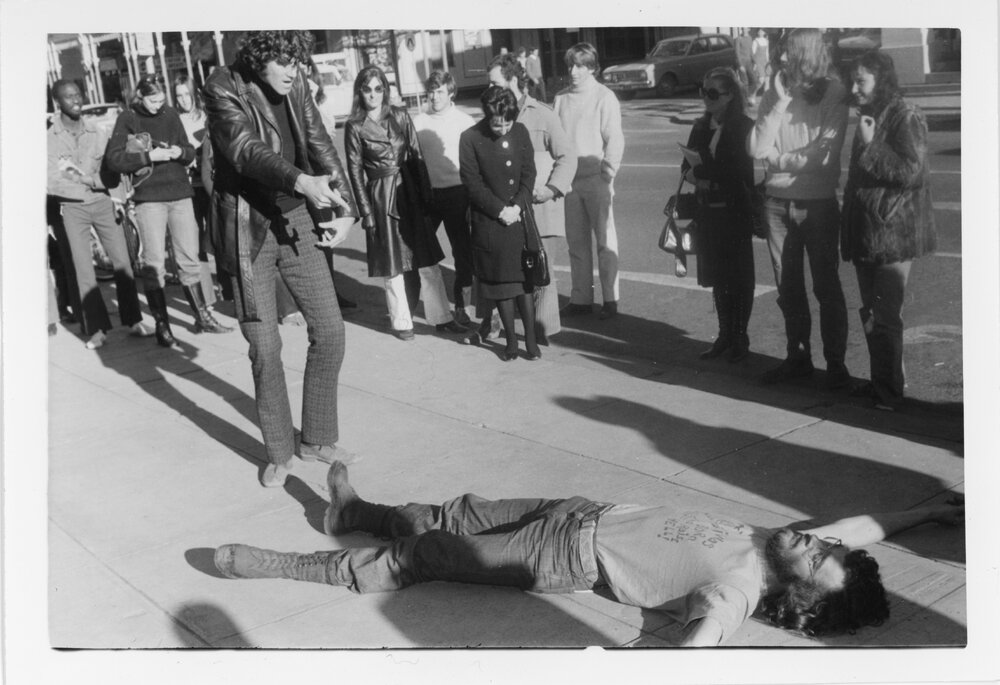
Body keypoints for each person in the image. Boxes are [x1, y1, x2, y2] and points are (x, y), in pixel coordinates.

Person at [214, 460, 965, 647]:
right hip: (578, 510)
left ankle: (288, 564)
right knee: (453, 511)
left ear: (801, 595)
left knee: (427, 554)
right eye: (825, 542)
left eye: (818, 556)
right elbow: (860, 528)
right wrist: (926, 511)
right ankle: (352, 512)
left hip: (561, 556)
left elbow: (702, 641)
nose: (815, 539)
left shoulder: (739, 586)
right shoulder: (778, 544)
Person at [203, 30, 360, 487]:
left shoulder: (297, 86)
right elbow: (243, 150)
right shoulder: (223, 86)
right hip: (247, 232)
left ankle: (317, 438)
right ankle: (278, 452)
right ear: (258, 59)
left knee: (330, 331)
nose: (294, 70)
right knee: (266, 348)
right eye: (284, 62)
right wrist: (301, 182)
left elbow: (320, 144)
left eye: (297, 61)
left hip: (296, 222)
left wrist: (347, 207)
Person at [747, 28, 850, 388]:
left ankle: (836, 366)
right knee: (788, 286)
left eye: (789, 52)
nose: (782, 58)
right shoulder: (775, 92)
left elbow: (823, 156)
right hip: (776, 203)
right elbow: (756, 149)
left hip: (817, 203)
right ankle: (798, 358)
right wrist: (778, 102)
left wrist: (778, 160)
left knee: (826, 286)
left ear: (807, 54)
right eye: (781, 51)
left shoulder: (834, 93)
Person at [841, 50, 937, 411]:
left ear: (881, 80)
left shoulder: (905, 114)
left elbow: (911, 172)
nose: (854, 88)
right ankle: (883, 382)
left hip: (894, 233)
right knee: (871, 312)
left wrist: (871, 145)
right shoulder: (870, 113)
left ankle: (889, 392)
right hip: (869, 231)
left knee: (884, 315)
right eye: (852, 81)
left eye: (860, 81)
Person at [106, 75, 232, 347]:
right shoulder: (128, 118)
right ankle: (162, 325)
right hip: (149, 199)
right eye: (153, 101)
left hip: (180, 195)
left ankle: (202, 317)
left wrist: (179, 152)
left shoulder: (171, 114)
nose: (158, 105)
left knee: (189, 258)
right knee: (154, 264)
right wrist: (148, 156)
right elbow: (114, 159)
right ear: (140, 96)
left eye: (162, 100)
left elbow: (189, 152)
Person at [344, 65, 466, 341]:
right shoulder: (354, 126)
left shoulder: (399, 115)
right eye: (367, 89)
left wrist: (426, 194)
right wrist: (366, 213)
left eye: (378, 88)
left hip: (409, 191)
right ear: (359, 91)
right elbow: (355, 172)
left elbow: (416, 154)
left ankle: (442, 318)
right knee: (393, 264)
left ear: (385, 90)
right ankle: (402, 322)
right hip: (381, 196)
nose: (373, 94)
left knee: (427, 258)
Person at [47, 79, 153, 349]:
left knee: (123, 262)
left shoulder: (98, 131)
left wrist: (109, 192)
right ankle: (97, 329)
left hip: (104, 203)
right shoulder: (49, 139)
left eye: (78, 94)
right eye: (69, 97)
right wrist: (92, 182)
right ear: (57, 102)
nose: (76, 100)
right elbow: (53, 181)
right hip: (72, 209)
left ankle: (133, 320)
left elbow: (111, 168)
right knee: (84, 269)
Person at [482, 53, 577, 346]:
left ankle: (542, 330)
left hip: (539, 205)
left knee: (540, 268)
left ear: (513, 79)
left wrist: (552, 189)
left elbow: (567, 157)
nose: (490, 89)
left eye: (495, 83)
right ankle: (495, 323)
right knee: (504, 266)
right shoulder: (492, 113)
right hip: (506, 209)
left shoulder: (542, 114)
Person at [459, 86, 539, 361]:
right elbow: (472, 183)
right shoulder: (470, 138)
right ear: (486, 115)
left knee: (524, 281)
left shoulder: (521, 131)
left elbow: (529, 173)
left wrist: (518, 205)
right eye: (497, 124)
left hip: (519, 217)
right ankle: (511, 343)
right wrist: (500, 210)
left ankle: (531, 340)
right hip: (491, 222)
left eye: (508, 123)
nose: (503, 129)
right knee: (502, 283)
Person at [683, 67, 756, 363]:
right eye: (704, 91)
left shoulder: (744, 126)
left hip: (734, 210)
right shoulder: (701, 126)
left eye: (713, 93)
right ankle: (724, 334)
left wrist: (707, 174)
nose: (706, 98)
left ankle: (740, 337)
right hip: (708, 211)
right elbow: (685, 167)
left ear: (730, 96)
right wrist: (696, 175)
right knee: (717, 276)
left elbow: (742, 172)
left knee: (739, 277)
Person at [554, 42, 625, 320]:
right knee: (576, 243)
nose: (573, 71)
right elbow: (556, 139)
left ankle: (610, 298)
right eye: (571, 65)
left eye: (580, 66)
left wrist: (608, 172)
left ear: (592, 68)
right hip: (570, 182)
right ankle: (581, 298)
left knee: (605, 242)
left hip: (597, 179)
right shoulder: (561, 99)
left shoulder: (604, 97)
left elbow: (614, 138)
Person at [412, 70, 477, 325]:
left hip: (458, 193)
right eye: (431, 91)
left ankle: (463, 306)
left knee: (463, 253)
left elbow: (475, 163)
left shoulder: (465, 121)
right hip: (428, 196)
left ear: (451, 92)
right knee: (421, 252)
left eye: (439, 91)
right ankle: (429, 309)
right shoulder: (418, 122)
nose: (434, 96)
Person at [172, 74, 221, 309]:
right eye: (179, 95)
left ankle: (229, 289)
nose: (183, 100)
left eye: (187, 94)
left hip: (211, 184)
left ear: (195, 94)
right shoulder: (175, 121)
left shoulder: (207, 117)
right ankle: (207, 298)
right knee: (195, 242)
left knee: (220, 236)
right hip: (189, 186)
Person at [734, 28, 756, 103]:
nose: (744, 30)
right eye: (743, 29)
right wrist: (740, 65)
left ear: (749, 29)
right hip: (742, 62)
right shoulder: (738, 39)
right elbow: (737, 53)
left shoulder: (750, 38)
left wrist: (754, 62)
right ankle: (745, 100)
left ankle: (748, 96)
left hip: (749, 62)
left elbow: (751, 51)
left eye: (745, 29)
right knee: (745, 82)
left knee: (754, 80)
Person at [751, 29, 770, 100]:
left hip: (765, 62)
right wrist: (754, 63)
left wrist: (768, 62)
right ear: (757, 32)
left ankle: (766, 99)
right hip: (758, 62)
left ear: (764, 32)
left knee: (767, 80)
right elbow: (752, 54)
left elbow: (767, 53)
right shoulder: (755, 41)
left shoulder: (766, 41)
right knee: (761, 80)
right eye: (759, 31)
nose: (761, 32)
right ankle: (753, 94)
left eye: (762, 31)